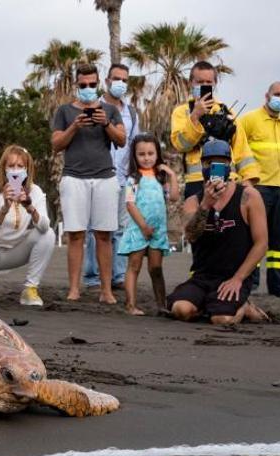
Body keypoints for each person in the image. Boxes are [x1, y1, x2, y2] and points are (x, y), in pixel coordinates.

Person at [167, 140, 268, 325]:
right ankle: (208, 302)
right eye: (209, 163)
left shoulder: (248, 197)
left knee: (222, 319)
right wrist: (206, 204)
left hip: (235, 276)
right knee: (181, 310)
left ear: (230, 166)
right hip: (203, 276)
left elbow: (261, 244)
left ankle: (243, 306)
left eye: (221, 163)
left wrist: (238, 279)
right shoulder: (193, 201)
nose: (214, 168)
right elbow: (191, 235)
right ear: (202, 166)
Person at [51, 63, 126, 304]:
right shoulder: (64, 111)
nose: (87, 88)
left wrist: (105, 124)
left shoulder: (111, 111)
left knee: (104, 235)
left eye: (92, 84)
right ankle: (74, 288)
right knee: (75, 234)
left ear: (98, 84)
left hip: (105, 176)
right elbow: (56, 144)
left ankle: (106, 290)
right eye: (83, 85)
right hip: (74, 177)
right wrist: (75, 125)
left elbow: (122, 140)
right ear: (76, 84)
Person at [83, 63, 141, 291]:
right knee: (93, 229)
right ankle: (93, 277)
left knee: (121, 228)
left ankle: (118, 275)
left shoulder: (132, 112)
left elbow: (136, 144)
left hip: (126, 179)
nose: (121, 83)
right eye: (116, 78)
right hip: (97, 176)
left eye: (125, 80)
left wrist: (136, 178)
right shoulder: (93, 106)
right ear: (106, 81)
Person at [238, 81, 280, 297]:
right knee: (254, 236)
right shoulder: (249, 119)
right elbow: (237, 147)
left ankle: (278, 285)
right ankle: (251, 282)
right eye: (277, 94)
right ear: (267, 95)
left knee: (278, 239)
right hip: (259, 187)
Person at [0, 145, 55, 307]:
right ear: (3, 168)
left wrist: (29, 206)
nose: (15, 170)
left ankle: (30, 289)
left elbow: (45, 226)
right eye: (11, 165)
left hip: (16, 252)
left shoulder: (35, 191)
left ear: (27, 169)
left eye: (20, 166)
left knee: (48, 234)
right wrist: (4, 208)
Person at [170, 61, 259, 198]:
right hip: (197, 182)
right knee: (199, 219)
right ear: (190, 83)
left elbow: (242, 149)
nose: (204, 85)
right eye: (199, 82)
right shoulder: (182, 112)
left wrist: (249, 180)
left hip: (228, 180)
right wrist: (195, 116)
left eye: (208, 82)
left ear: (214, 84)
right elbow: (181, 145)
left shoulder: (227, 111)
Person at [118, 134, 179, 316]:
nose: (146, 158)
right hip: (139, 228)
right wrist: (143, 226)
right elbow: (130, 204)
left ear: (157, 154)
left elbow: (174, 197)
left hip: (158, 231)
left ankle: (162, 305)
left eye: (151, 153)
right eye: (141, 154)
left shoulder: (161, 178)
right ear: (135, 156)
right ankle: (130, 305)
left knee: (156, 268)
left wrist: (172, 175)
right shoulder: (133, 179)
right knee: (134, 266)